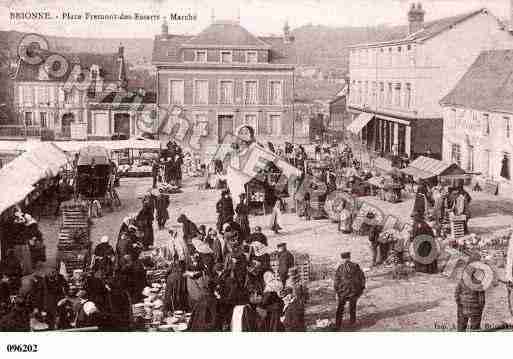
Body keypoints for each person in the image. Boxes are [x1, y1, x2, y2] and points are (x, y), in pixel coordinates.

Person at [334, 252, 366, 330]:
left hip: (343, 292)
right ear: (349, 258)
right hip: (354, 291)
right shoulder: (356, 266)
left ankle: (338, 325)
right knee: (352, 307)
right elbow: (362, 278)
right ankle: (352, 322)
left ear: (342, 259)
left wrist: (336, 291)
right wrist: (361, 289)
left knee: (340, 308)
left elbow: (336, 280)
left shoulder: (340, 267)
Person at [455, 264, 485, 331]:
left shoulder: (461, 282)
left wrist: (460, 304)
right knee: (475, 329)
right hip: (475, 309)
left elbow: (456, 295)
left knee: (461, 327)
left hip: (463, 307)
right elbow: (482, 300)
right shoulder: (479, 283)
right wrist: (480, 309)